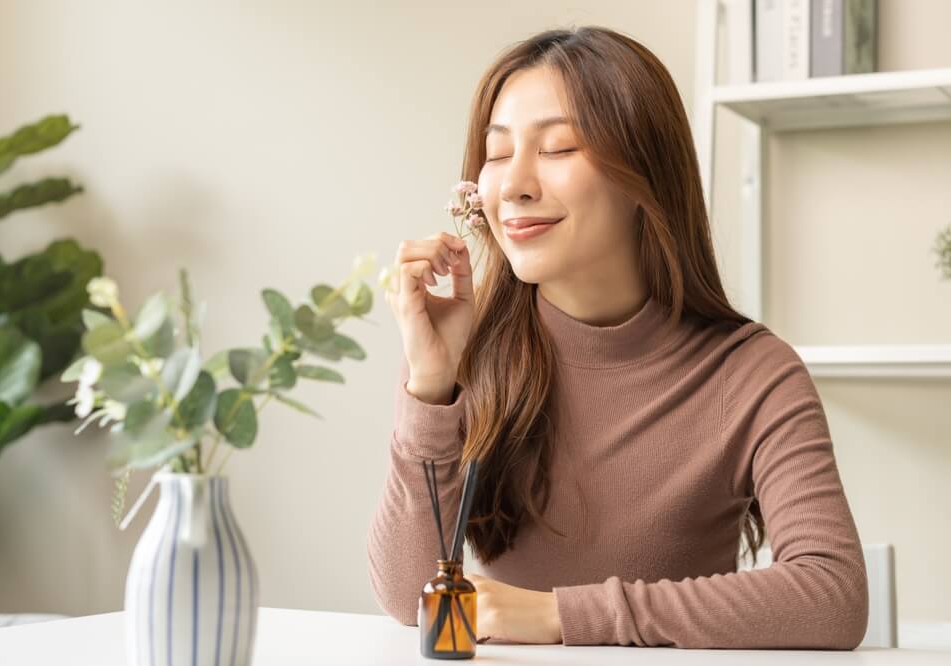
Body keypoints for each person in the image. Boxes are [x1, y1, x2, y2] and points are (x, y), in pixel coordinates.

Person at [367, 25, 869, 649]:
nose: (515, 184)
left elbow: (832, 595)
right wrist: (431, 386)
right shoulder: (469, 348)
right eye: (497, 153)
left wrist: (560, 616)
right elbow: (407, 595)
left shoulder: (753, 374)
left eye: (558, 148)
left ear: (644, 176)